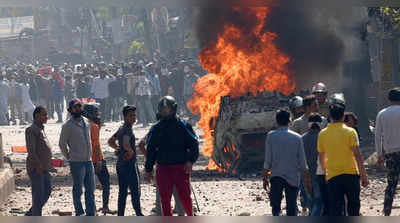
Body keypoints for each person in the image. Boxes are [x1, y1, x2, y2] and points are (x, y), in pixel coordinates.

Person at [144, 96, 199, 216]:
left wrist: (190, 161)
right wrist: (148, 169)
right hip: (163, 168)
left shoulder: (184, 126)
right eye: (162, 109)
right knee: (165, 198)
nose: (165, 111)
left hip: (181, 168)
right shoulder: (156, 128)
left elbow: (194, 145)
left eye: (167, 109)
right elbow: (151, 150)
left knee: (185, 197)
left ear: (173, 109)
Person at [318, 101, 369, 216]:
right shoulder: (350, 132)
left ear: (330, 116)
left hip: (333, 175)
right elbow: (357, 155)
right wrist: (363, 175)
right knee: (353, 207)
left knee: (336, 208)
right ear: (343, 116)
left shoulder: (322, 134)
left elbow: (321, 157)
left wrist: (326, 174)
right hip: (351, 174)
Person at [263, 109, 311, 216]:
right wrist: (307, 180)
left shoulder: (271, 136)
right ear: (289, 121)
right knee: (291, 207)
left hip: (276, 176)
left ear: (277, 121)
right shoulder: (297, 138)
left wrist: (265, 177)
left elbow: (267, 159)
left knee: (275, 207)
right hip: (293, 177)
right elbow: (303, 162)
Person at [59, 99, 96, 216]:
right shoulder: (67, 126)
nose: (78, 109)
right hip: (76, 162)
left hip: (88, 161)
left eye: (79, 106)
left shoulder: (86, 122)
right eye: (75, 107)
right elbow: (62, 143)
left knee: (90, 189)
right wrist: (69, 156)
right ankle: (79, 212)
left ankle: (90, 213)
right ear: (70, 110)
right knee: (78, 189)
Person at [107, 106, 144, 216]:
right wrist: (130, 151)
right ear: (125, 117)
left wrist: (117, 149)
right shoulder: (127, 129)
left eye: (134, 115)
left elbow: (110, 141)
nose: (134, 117)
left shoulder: (121, 128)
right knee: (135, 191)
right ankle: (139, 214)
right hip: (129, 165)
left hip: (120, 165)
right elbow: (126, 143)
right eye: (131, 115)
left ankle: (121, 215)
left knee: (122, 192)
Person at [83, 103, 116, 215]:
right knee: (106, 183)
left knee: (89, 186)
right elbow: (96, 144)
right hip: (97, 158)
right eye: (96, 112)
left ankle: (91, 208)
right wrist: (99, 161)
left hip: (86, 159)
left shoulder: (83, 125)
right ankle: (105, 207)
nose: (98, 114)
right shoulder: (93, 126)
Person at [375, 87, 400, 216]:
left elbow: (377, 135)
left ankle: (387, 211)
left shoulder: (382, 113)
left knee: (391, 183)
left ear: (389, 99)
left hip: (390, 153)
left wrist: (379, 154)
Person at [25, 106, 54, 216]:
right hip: (37, 169)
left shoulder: (41, 129)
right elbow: (31, 150)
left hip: (45, 168)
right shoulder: (31, 130)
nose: (46, 117)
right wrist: (38, 165)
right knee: (38, 196)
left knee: (47, 192)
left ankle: (32, 213)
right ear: (37, 116)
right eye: (44, 115)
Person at [302, 114, 325, 216]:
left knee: (310, 199)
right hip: (321, 172)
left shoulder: (302, 138)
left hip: (306, 173)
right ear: (320, 124)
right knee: (319, 200)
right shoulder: (323, 137)